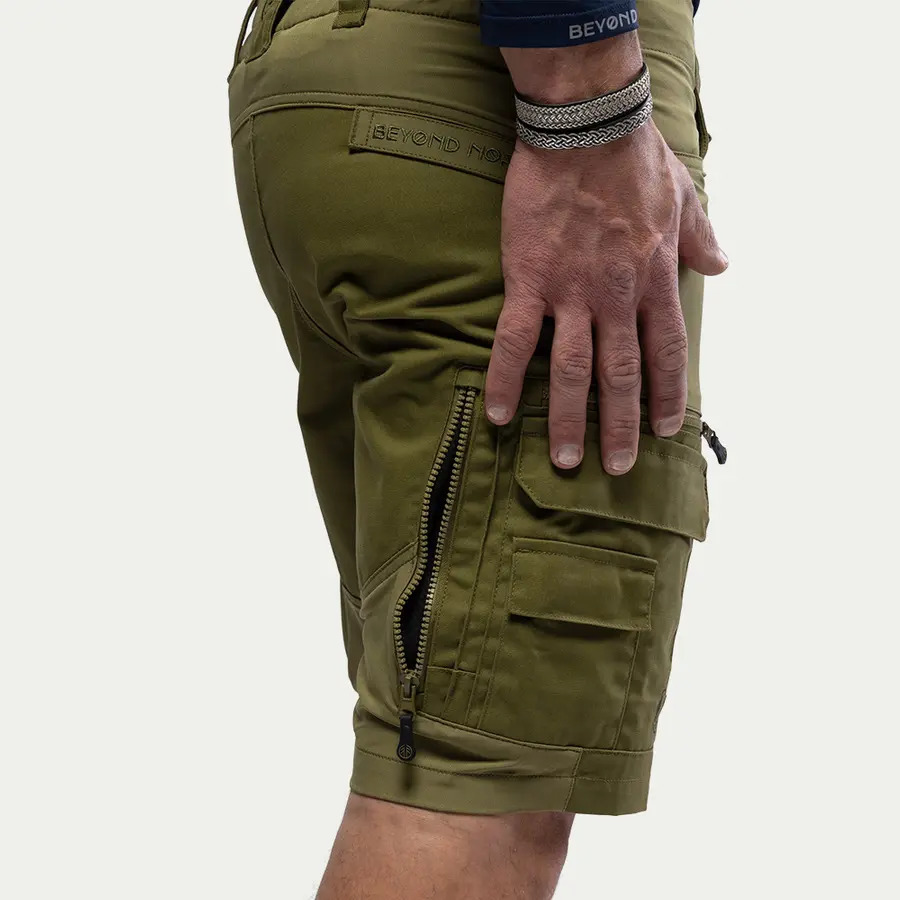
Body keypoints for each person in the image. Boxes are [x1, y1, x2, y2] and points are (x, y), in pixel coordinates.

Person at [228, 1, 728, 896]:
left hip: (341, 79)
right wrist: (588, 104)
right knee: (478, 782)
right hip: (506, 92)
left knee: (428, 736)